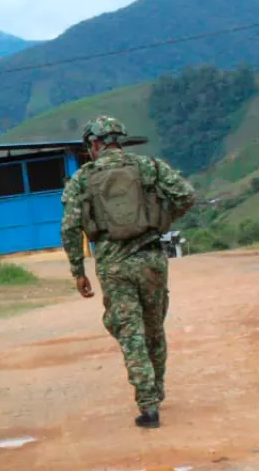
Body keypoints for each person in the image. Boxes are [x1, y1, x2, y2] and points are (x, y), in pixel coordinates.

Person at [60, 116, 196, 429]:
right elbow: (185, 195)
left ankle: (148, 406)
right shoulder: (149, 166)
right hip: (151, 259)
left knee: (128, 330)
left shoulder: (83, 178)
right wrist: (161, 220)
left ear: (94, 144)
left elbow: (69, 227)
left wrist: (77, 270)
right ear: (119, 139)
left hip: (113, 265)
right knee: (153, 328)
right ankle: (156, 390)